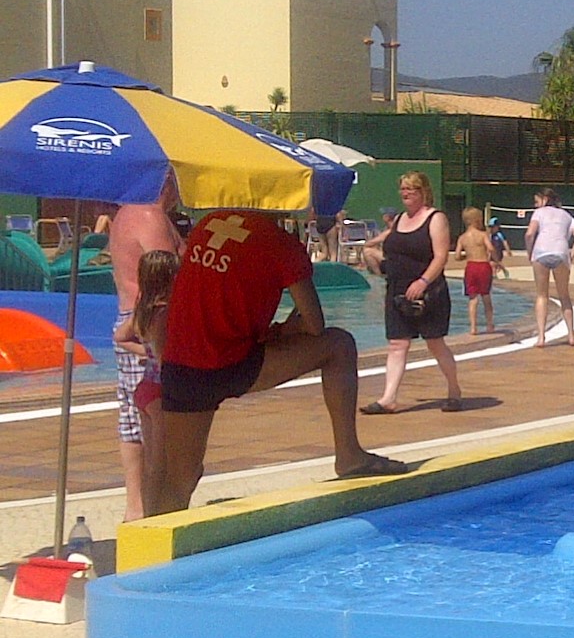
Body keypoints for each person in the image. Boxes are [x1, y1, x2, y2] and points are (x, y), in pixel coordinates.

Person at [160, 209, 410, 513]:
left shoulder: (208, 225)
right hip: (236, 363)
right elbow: (315, 324)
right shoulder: (281, 245)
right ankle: (348, 454)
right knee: (339, 346)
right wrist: (284, 329)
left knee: (179, 478)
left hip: (184, 363)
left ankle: (150, 535)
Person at [108, 171, 183, 521]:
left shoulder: (124, 214)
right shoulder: (151, 217)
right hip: (153, 322)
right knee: (156, 438)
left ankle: (134, 507)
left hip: (130, 319)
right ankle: (153, 506)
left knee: (130, 420)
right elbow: (171, 279)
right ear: (166, 181)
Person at [360, 172, 463, 414]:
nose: (405, 193)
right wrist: (373, 256)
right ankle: (388, 398)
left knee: (435, 343)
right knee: (397, 343)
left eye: (411, 189)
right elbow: (386, 248)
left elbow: (441, 257)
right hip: (397, 289)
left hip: (428, 291)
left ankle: (454, 389)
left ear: (423, 192)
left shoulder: (435, 219)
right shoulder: (399, 220)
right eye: (403, 189)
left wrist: (423, 281)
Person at [112, 250, 177, 519]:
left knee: (151, 462)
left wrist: (144, 352)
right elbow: (164, 358)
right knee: (161, 463)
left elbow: (120, 337)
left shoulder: (143, 311)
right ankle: (154, 514)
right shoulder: (165, 313)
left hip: (144, 390)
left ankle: (149, 513)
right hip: (160, 391)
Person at [525, 187, 574, 348]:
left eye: (536, 201)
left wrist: (530, 253)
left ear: (544, 199)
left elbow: (529, 234)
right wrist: (571, 256)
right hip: (561, 253)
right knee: (564, 296)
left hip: (541, 253)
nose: (535, 205)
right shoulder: (566, 215)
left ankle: (541, 337)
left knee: (542, 295)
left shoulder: (538, 213)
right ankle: (571, 335)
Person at [455, 206, 498, 336]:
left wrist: (466, 255)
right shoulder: (483, 235)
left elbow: (457, 256)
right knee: (486, 296)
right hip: (483, 266)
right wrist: (496, 260)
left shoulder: (462, 238)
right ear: (477, 220)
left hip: (471, 267)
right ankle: (490, 324)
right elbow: (491, 248)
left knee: (472, 298)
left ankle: (473, 327)